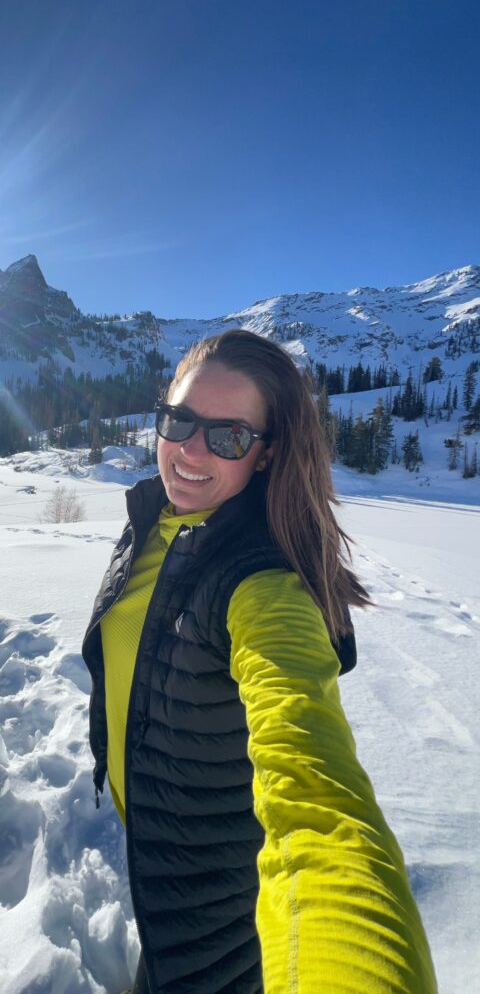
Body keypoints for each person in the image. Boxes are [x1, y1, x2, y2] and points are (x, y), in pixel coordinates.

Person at [80, 330, 437, 994]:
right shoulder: (156, 519)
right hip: (160, 873)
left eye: (228, 437)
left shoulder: (262, 588)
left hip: (229, 922)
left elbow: (317, 794)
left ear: (266, 455)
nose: (188, 450)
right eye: (178, 420)